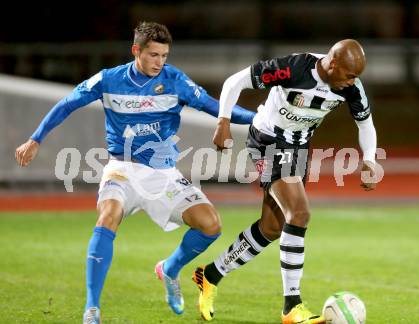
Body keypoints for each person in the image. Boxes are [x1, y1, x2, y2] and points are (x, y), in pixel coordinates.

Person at [14, 21, 255, 324]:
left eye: (164, 55)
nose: (160, 62)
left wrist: (259, 119)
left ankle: (169, 269)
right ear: (136, 51)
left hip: (163, 174)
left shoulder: (175, 81)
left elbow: (215, 107)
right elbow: (67, 104)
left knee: (210, 225)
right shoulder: (108, 80)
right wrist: (35, 139)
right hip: (123, 170)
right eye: (154, 55)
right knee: (107, 217)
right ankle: (92, 309)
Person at [192, 39, 378, 324]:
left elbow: (365, 123)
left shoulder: (352, 88)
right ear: (332, 64)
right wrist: (223, 121)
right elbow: (235, 81)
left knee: (272, 228)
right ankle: (292, 305)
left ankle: (211, 274)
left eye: (356, 77)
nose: (352, 82)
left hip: (298, 148)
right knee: (299, 213)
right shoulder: (293, 68)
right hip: (267, 140)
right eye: (349, 75)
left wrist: (369, 158)